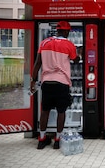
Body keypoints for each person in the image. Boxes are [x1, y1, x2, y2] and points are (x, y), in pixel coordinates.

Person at [31, 21, 82, 149]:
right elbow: (75, 59)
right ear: (66, 31)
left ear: (57, 30)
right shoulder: (69, 45)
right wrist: (79, 53)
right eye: (68, 32)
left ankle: (42, 139)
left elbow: (37, 63)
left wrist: (33, 80)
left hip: (47, 82)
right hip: (61, 83)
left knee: (45, 111)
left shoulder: (44, 43)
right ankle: (58, 140)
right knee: (61, 111)